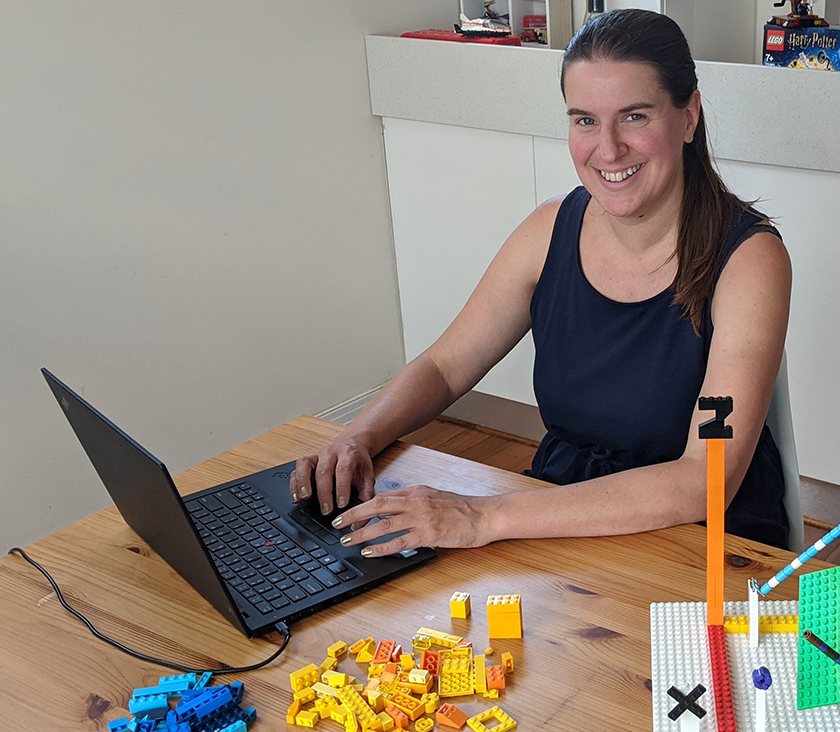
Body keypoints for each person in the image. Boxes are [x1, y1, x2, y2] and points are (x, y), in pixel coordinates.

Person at [290, 9, 793, 551]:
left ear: (688, 117)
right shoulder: (549, 230)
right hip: (558, 510)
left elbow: (705, 478)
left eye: (635, 117)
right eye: (585, 120)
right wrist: (358, 436)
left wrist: (481, 518)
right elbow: (444, 366)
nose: (608, 149)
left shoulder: (749, 260)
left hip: (702, 543)